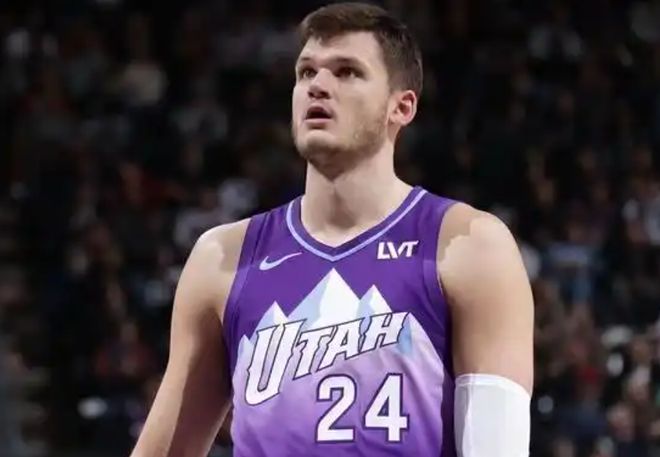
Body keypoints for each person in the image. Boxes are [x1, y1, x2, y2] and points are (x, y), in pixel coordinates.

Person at [129, 3, 534, 456]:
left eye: (346, 72)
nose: (318, 86)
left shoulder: (467, 244)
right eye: (306, 72)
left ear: (401, 107)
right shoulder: (223, 259)